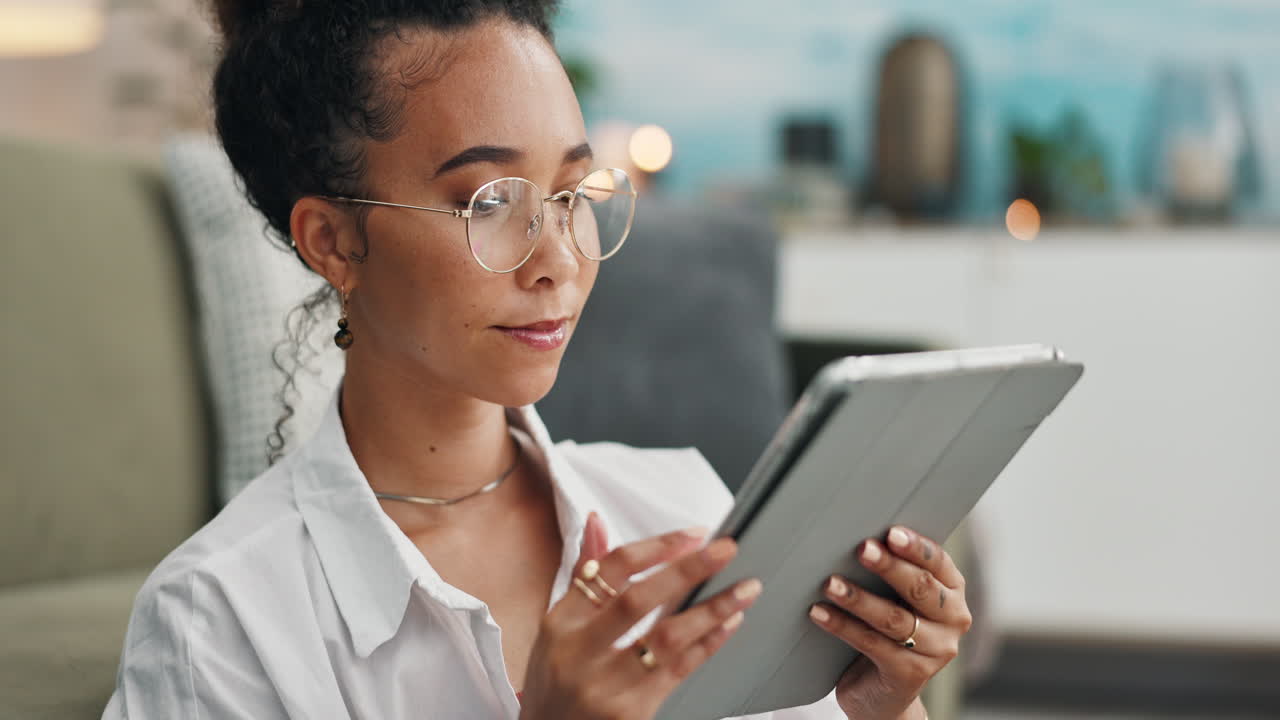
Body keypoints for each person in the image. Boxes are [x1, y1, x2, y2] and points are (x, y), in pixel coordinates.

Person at [103, 2, 972, 718]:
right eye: (490, 201)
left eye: (571, 193)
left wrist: (883, 706)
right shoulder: (219, 624)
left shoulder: (681, 511)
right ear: (332, 240)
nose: (557, 255)